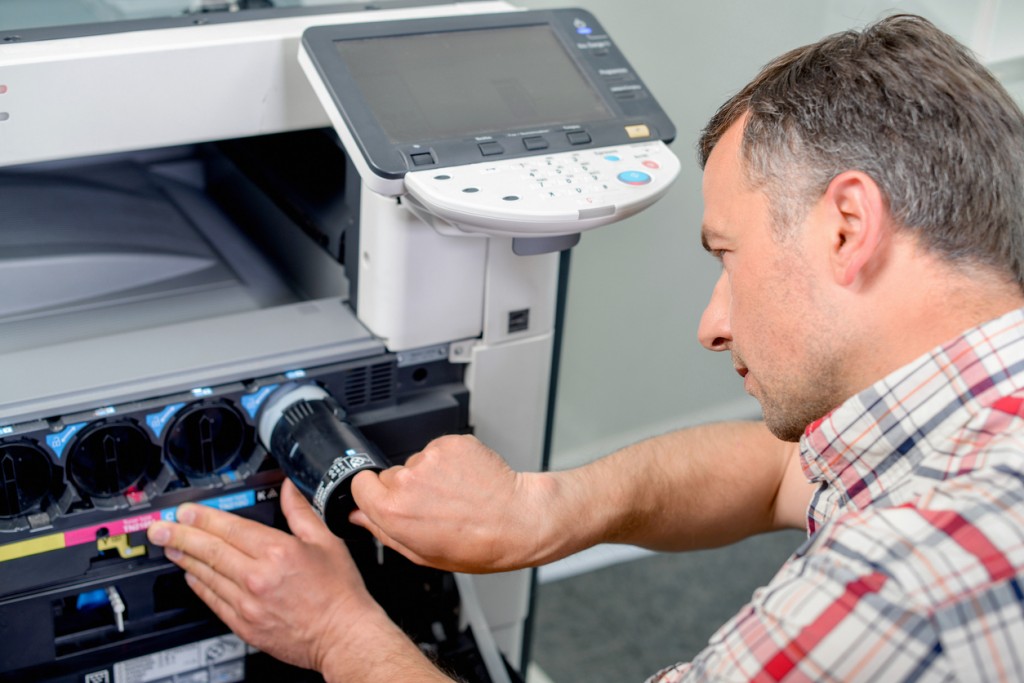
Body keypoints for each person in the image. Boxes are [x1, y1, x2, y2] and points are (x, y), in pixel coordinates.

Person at [146, 13, 1024, 681]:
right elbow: (787, 471)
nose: (712, 323)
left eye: (728, 256)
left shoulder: (900, 589)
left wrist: (337, 632)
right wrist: (545, 509)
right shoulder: (966, 416)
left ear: (846, 228)